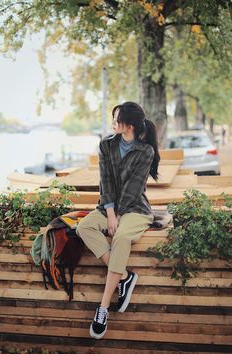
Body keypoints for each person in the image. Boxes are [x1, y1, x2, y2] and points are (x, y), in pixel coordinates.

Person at [76, 101, 160, 339]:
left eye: (117, 119)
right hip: (109, 206)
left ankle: (102, 309)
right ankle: (125, 276)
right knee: (85, 226)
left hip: (135, 208)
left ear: (129, 125)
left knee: (121, 236)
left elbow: (133, 189)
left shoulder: (145, 151)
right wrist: (111, 214)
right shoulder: (106, 145)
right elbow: (106, 183)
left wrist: (120, 217)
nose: (113, 123)